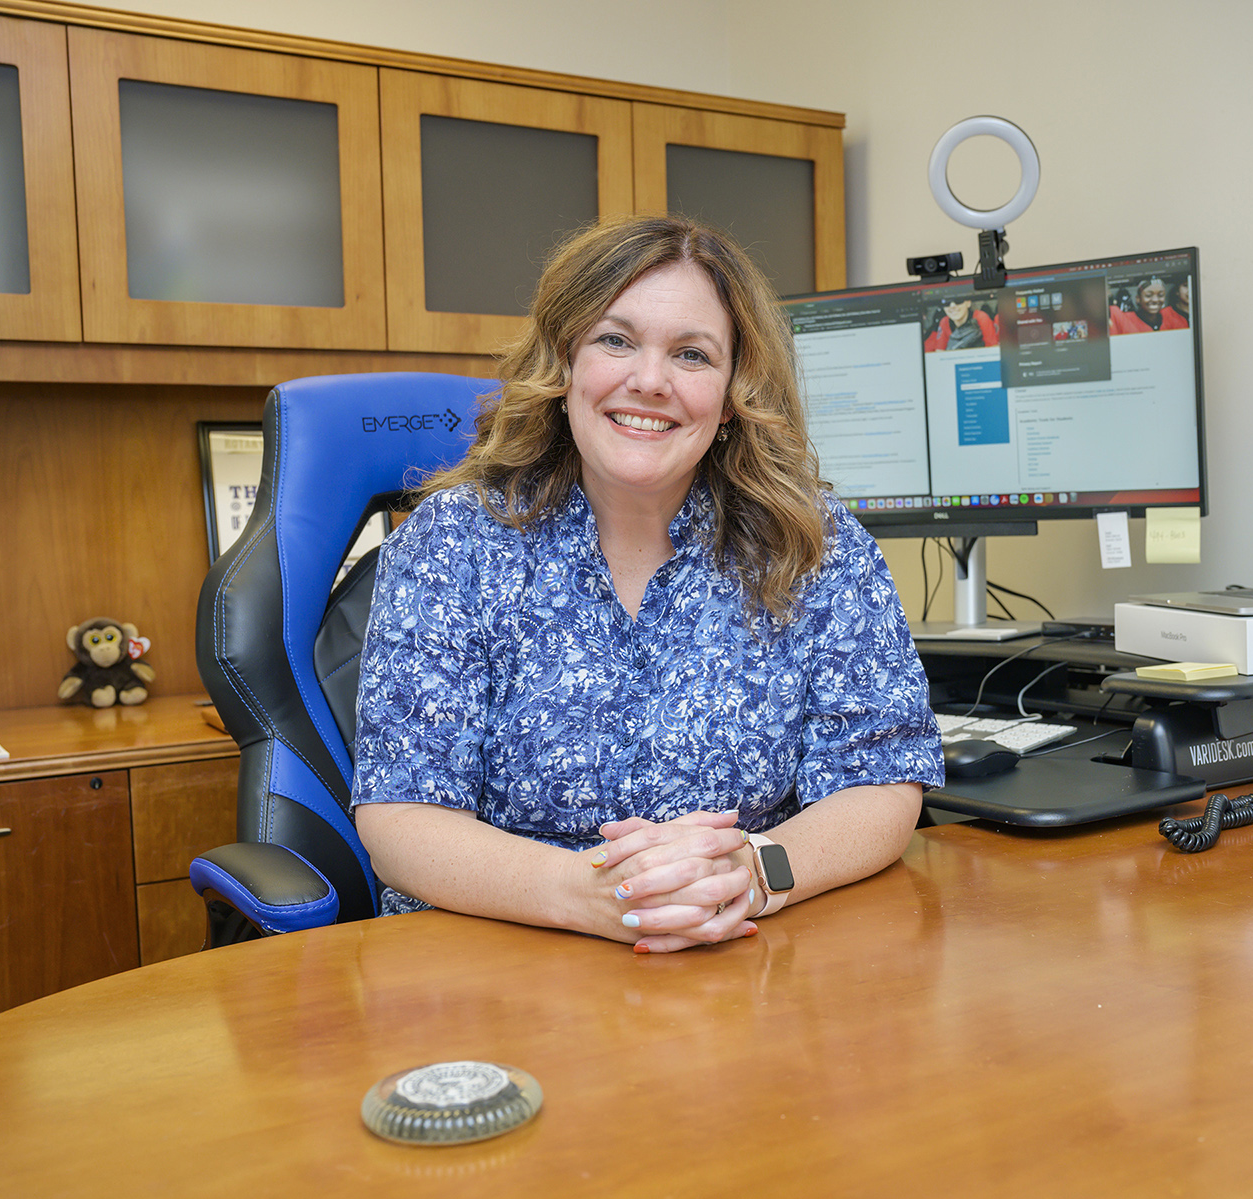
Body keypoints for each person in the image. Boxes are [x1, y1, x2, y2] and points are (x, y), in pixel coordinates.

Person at [350, 214, 943, 955]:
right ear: (564, 364)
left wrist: (757, 871)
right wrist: (593, 895)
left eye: (692, 354)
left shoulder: (812, 544)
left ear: (731, 397)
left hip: (742, 957)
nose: (650, 381)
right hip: (494, 966)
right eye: (616, 340)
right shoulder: (453, 544)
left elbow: (882, 782)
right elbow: (401, 818)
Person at [1108, 277, 1190, 334]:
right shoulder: (1124, 319)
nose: (1155, 300)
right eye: (1148, 295)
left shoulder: (1176, 320)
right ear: (1138, 299)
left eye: (1160, 295)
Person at [923, 295, 999, 351]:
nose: (952, 306)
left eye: (958, 301)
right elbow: (939, 352)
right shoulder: (944, 322)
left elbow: (992, 348)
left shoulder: (981, 317)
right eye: (947, 303)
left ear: (968, 303)